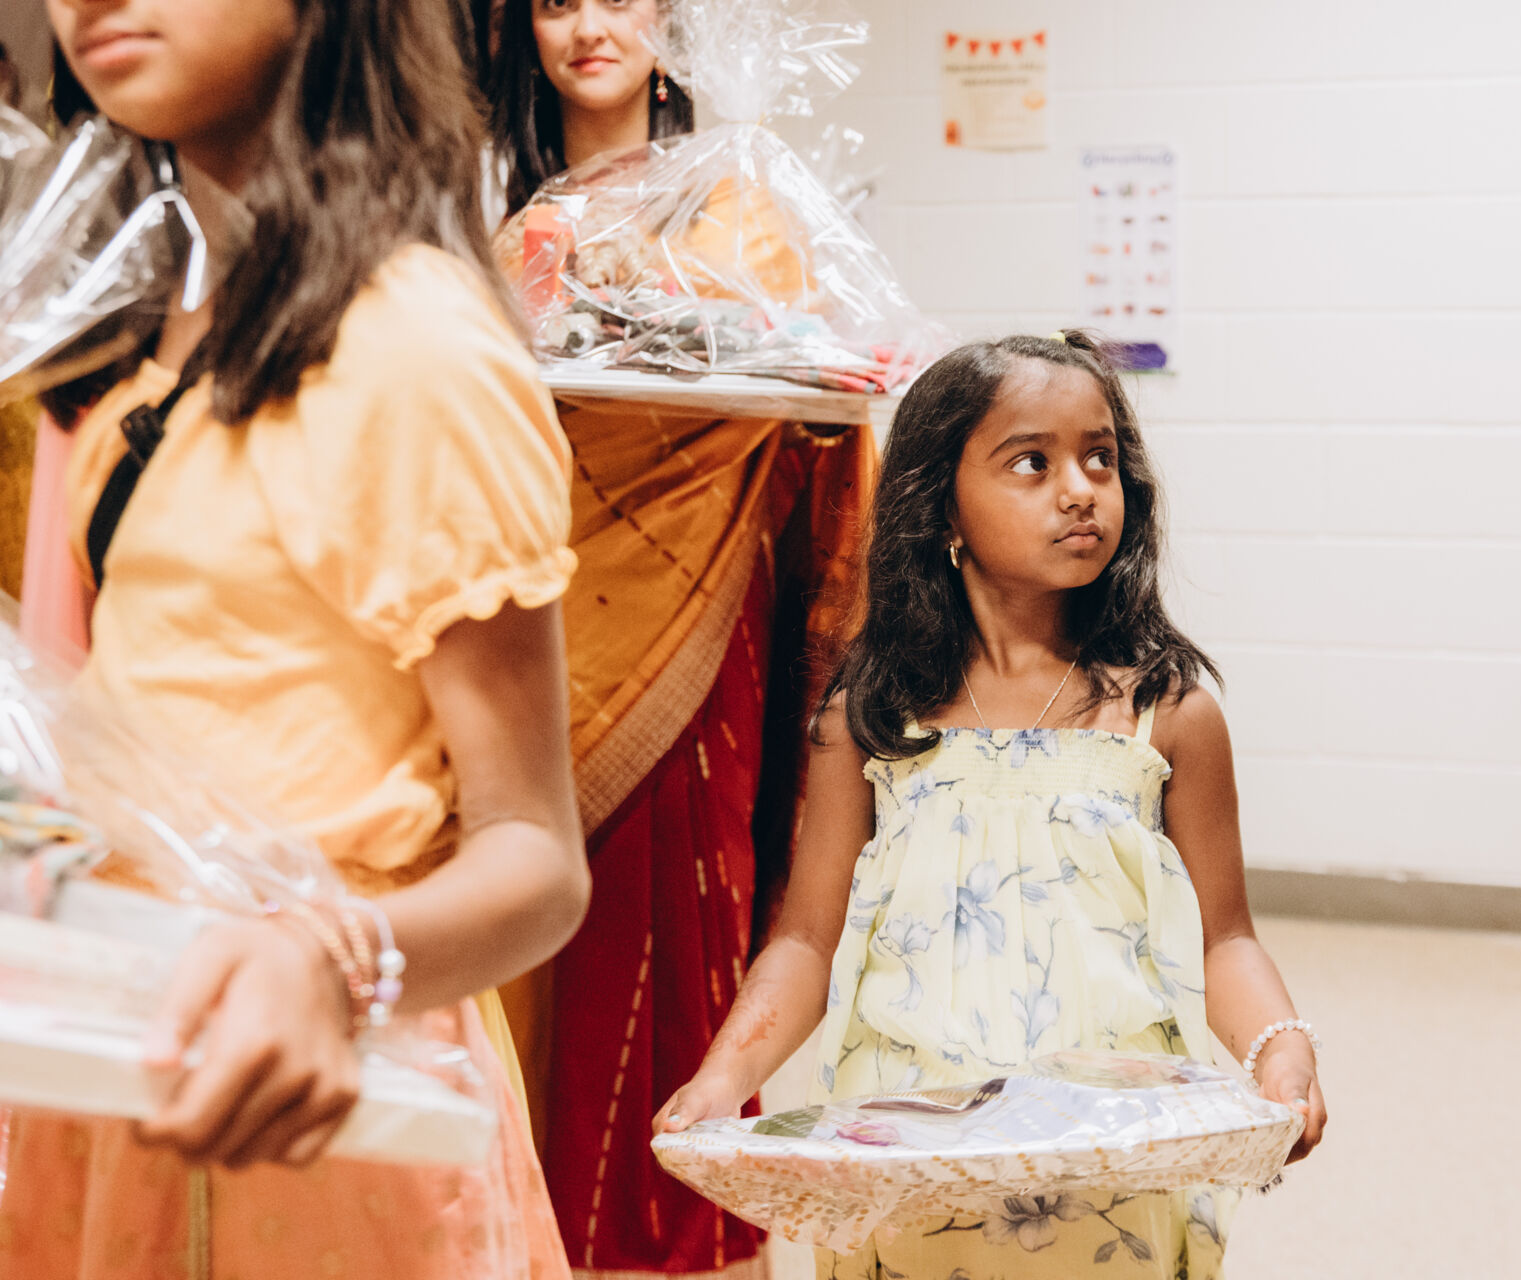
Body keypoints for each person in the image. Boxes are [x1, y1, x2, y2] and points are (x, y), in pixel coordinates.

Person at [4, 1, 587, 1275]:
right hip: (123, 1057)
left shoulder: (413, 342)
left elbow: (537, 857)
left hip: (322, 1098)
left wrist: (326, 960)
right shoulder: (140, 339)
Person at [656, 332, 1330, 1279]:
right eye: (1031, 462)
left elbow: (1227, 940)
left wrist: (1280, 1049)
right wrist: (725, 1078)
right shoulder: (871, 721)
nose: (1080, 490)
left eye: (1101, 458)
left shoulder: (1166, 713)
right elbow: (805, 941)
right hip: (915, 1145)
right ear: (942, 505)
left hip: (1109, 1151)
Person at [485, 2, 876, 1277]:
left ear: (670, 22)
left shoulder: (741, 212)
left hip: (696, 623)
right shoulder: (514, 227)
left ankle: (673, 1239)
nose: (588, 26)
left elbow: (801, 406)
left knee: (666, 915)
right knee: (521, 923)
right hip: (535, 616)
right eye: (556, 1)